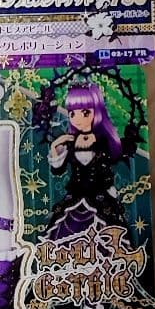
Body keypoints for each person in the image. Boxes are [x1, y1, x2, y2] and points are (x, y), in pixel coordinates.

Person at [46, 83, 138, 239]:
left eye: (85, 112)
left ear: (97, 112)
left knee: (109, 233)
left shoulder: (104, 141)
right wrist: (55, 146)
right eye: (72, 113)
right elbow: (57, 170)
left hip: (101, 198)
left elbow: (114, 157)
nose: (77, 119)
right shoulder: (70, 142)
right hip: (75, 198)